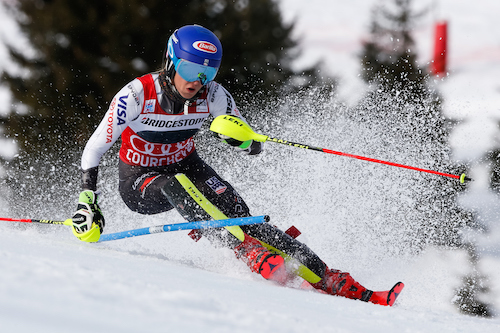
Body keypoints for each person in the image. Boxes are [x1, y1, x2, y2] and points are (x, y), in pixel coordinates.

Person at [71, 24, 403, 306]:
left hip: (187, 165)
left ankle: (331, 278)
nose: (197, 80)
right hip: (140, 181)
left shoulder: (214, 96)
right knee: (178, 186)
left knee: (245, 217)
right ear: (171, 62)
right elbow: (94, 148)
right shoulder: (137, 95)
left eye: (207, 72)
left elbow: (253, 145)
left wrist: (240, 139)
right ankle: (244, 250)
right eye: (189, 69)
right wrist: (88, 200)